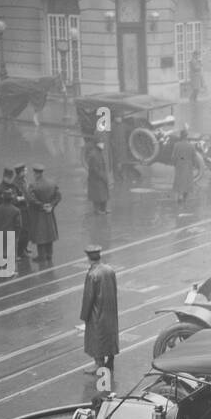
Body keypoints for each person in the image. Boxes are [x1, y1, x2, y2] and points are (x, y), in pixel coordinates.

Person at [80, 245, 120, 375]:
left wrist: (84, 315)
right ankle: (111, 360)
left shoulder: (92, 274)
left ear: (88, 258)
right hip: (110, 309)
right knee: (110, 335)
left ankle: (99, 363)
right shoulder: (109, 270)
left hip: (97, 312)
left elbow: (88, 297)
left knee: (97, 338)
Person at [25, 165, 60, 265]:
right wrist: (51, 205)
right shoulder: (51, 183)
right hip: (49, 212)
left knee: (39, 234)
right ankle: (49, 254)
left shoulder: (33, 185)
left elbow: (30, 199)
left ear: (36, 173)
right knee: (49, 233)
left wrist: (41, 205)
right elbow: (58, 196)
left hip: (38, 213)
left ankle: (41, 256)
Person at [171, 128, 196, 205]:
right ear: (186, 136)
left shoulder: (176, 145)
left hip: (179, 164)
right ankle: (184, 197)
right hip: (188, 165)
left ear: (181, 136)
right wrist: (193, 165)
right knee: (187, 181)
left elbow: (173, 157)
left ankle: (180, 196)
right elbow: (194, 157)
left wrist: (175, 164)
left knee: (179, 180)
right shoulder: (191, 145)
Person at [85, 139, 110, 214]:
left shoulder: (99, 152)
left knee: (103, 195)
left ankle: (103, 209)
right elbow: (95, 169)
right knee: (97, 196)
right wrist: (103, 176)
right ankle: (97, 210)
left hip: (100, 178)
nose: (103, 145)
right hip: (96, 179)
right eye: (101, 143)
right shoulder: (93, 154)